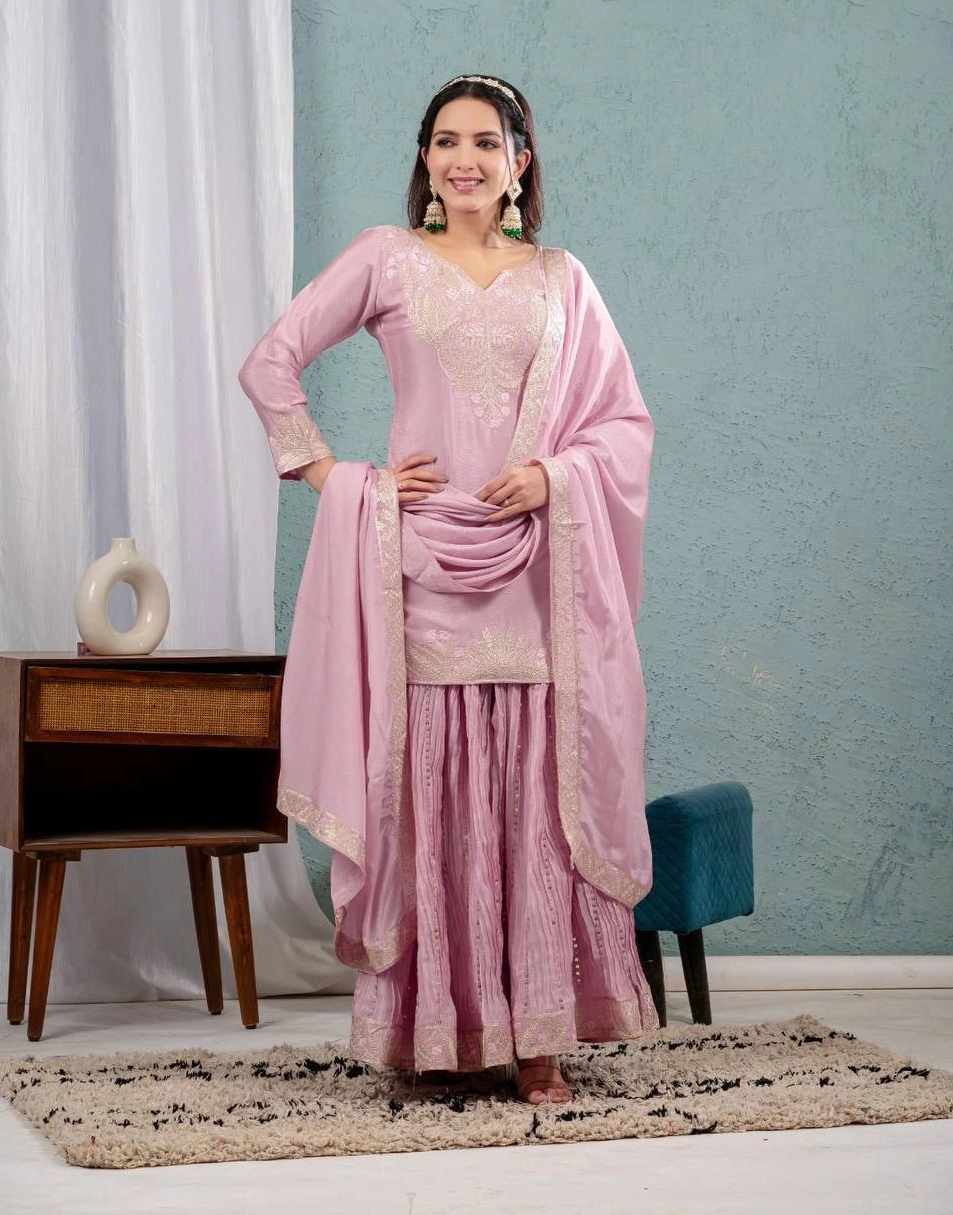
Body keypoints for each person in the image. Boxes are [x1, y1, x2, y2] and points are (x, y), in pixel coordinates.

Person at [239, 74, 659, 1106]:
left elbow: (624, 428)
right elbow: (271, 361)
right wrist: (333, 474)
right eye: (444, 141)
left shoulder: (563, 280)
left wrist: (553, 476)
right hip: (420, 561)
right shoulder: (386, 259)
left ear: (521, 162)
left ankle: (540, 1041)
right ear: (425, 162)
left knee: (531, 795)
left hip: (532, 572)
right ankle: (438, 1029)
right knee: (431, 791)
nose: (463, 157)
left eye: (486, 141)